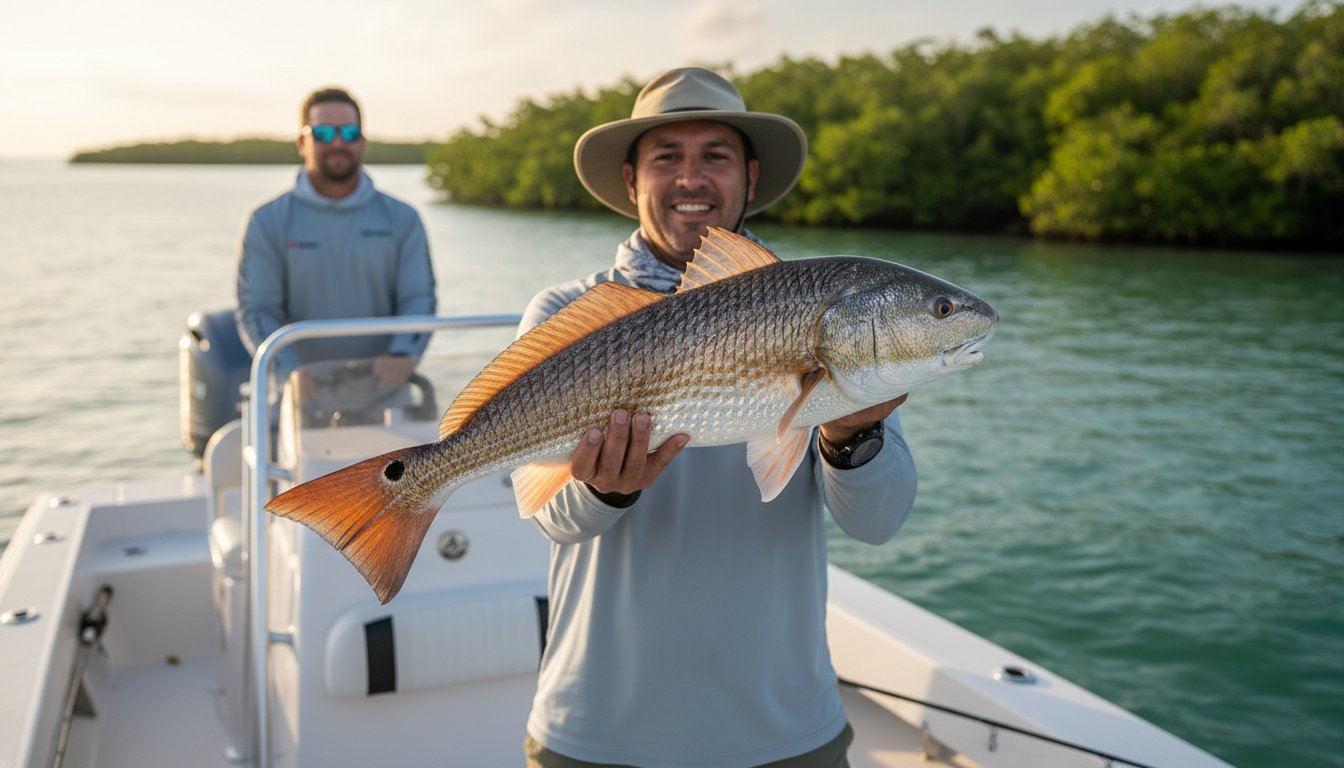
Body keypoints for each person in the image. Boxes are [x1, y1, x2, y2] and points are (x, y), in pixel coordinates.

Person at [521, 68, 917, 768]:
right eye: (667, 156)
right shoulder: (564, 315)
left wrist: (850, 436)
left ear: (751, 176)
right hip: (596, 729)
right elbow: (549, 514)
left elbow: (878, 523)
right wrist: (606, 486)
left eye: (716, 155)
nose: (691, 178)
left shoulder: (829, 312)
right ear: (632, 178)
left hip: (786, 731)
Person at [235, 86, 436, 394]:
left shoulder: (404, 218)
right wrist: (289, 372)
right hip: (298, 400)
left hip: (387, 398)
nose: (338, 142)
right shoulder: (266, 221)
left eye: (350, 132)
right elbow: (258, 310)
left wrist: (402, 353)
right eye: (324, 133)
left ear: (363, 142)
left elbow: (418, 298)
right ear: (302, 142)